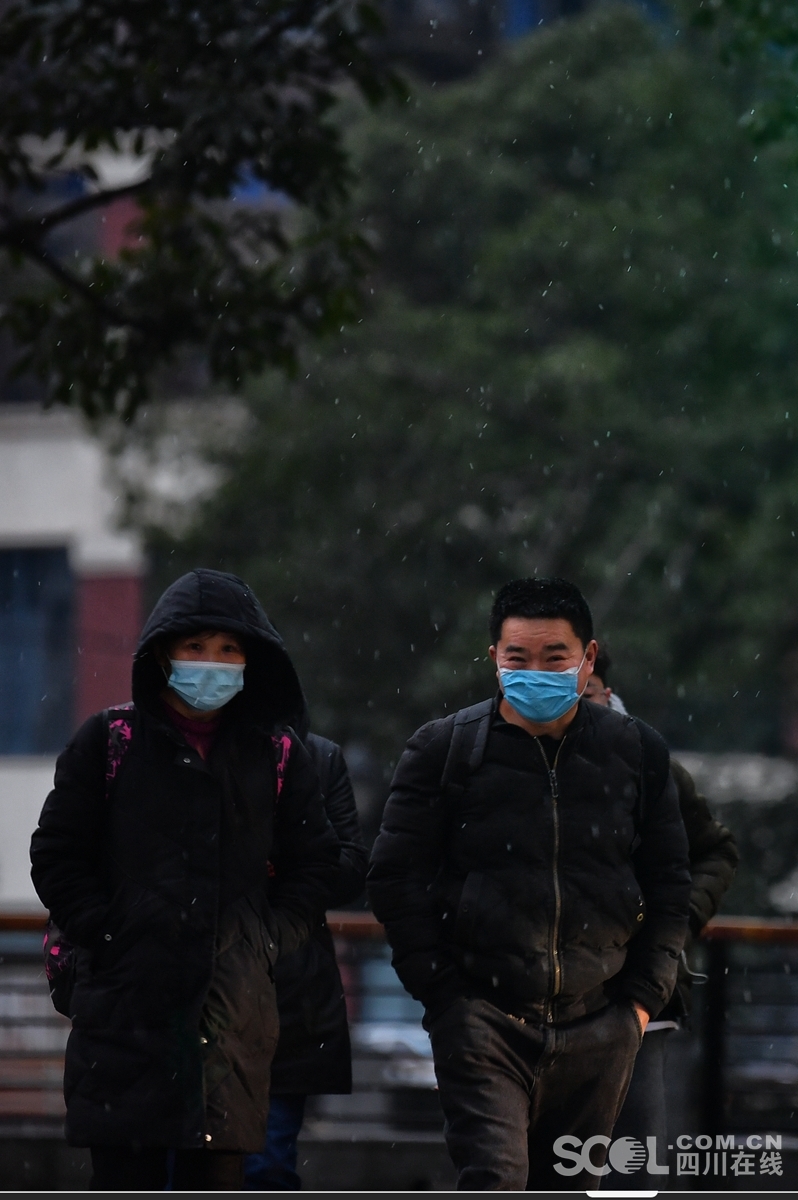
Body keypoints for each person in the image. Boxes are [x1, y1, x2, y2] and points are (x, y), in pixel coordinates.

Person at [367, 577, 691, 1191]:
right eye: (518, 657)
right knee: (494, 1176)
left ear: (587, 658)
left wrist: (640, 1003)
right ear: (494, 658)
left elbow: (670, 882)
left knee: (567, 1187)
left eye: (555, 657)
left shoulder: (636, 751)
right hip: (483, 1014)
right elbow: (393, 878)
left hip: (601, 1019)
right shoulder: (445, 750)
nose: (534, 671)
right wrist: (444, 996)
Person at [30, 569, 339, 1192]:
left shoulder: (278, 754)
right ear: (162, 653)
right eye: (195, 647)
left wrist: (265, 939)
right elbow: (57, 854)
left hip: (232, 1015)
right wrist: (111, 932)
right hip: (125, 1015)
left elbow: (317, 867)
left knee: (217, 1177)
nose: (212, 664)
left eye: (229, 650)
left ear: (253, 660)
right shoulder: (108, 741)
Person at [586, 645, 738, 1189]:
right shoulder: (515, 758)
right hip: (539, 995)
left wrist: (677, 920)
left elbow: (716, 851)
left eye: (588, 690)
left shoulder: (653, 764)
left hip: (639, 992)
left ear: (605, 689)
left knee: (631, 1162)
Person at [244, 721, 367, 1191]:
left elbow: (349, 867)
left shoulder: (311, 757)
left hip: (284, 995)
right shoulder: (135, 744)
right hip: (180, 996)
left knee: (266, 1162)